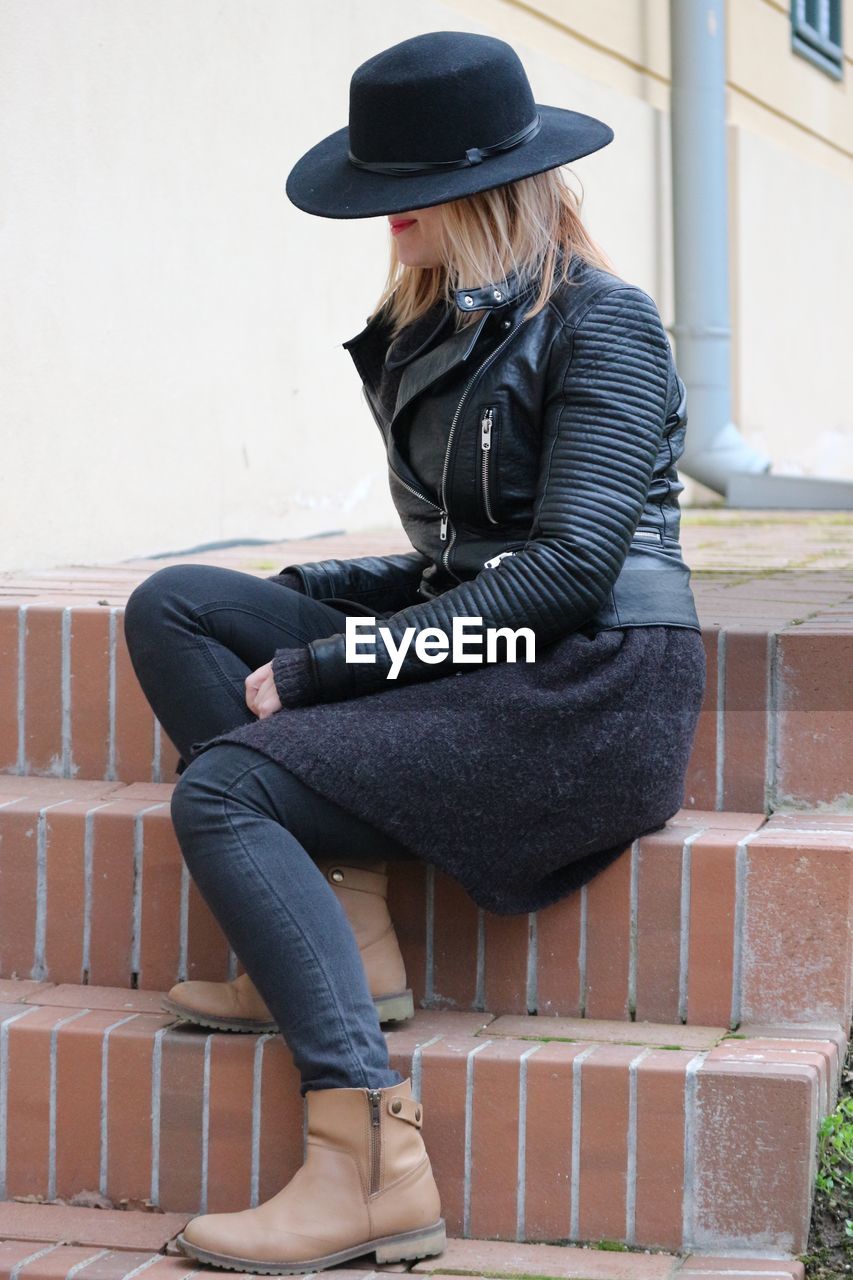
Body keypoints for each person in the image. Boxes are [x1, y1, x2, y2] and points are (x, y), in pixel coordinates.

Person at [122, 29, 707, 1276]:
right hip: (491, 645)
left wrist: (337, 665)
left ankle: (370, 1166)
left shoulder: (604, 325)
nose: (383, 220)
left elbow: (560, 580)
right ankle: (352, 926)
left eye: (405, 195)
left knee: (224, 787)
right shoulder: (440, 326)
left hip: (589, 685)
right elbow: (462, 564)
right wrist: (317, 597)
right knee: (180, 606)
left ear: (485, 191)